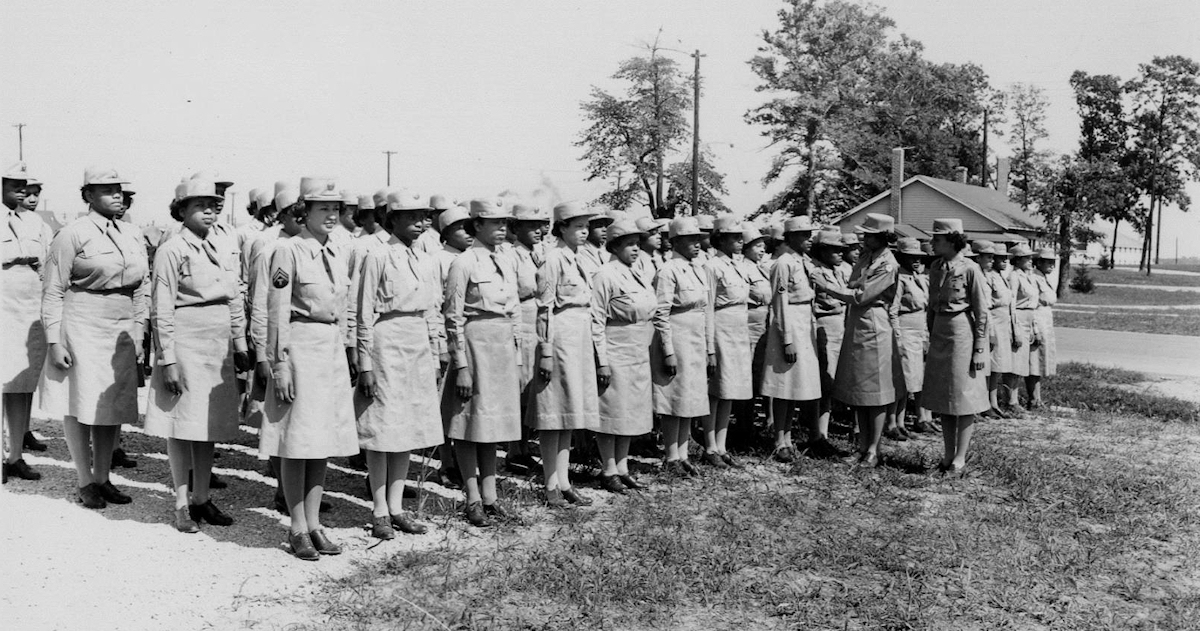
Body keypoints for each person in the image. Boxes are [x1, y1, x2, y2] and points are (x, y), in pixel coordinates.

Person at [39, 166, 149, 508]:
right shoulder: (72, 233)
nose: (116, 195)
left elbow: (142, 287)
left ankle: (104, 478)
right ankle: (85, 480)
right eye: (106, 190)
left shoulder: (133, 234)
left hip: (121, 325)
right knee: (80, 400)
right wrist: (54, 341)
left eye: (119, 189)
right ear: (87, 195)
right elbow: (53, 290)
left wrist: (141, 331)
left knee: (111, 404)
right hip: (82, 320)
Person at [262, 177, 360, 560]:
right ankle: (297, 527)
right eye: (324, 208)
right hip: (299, 348)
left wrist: (348, 350)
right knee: (296, 440)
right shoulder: (288, 251)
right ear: (305, 211)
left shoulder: (336, 251)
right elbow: (277, 311)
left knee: (321, 441)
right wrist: (280, 364)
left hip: (329, 349)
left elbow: (343, 307)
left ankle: (315, 523)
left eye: (336, 208)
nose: (332, 214)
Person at [144, 177, 249, 532]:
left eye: (214, 205)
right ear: (181, 210)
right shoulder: (172, 249)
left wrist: (240, 344)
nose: (210, 211)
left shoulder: (221, 243)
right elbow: (161, 309)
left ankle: (202, 498)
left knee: (209, 424)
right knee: (182, 424)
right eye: (200, 205)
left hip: (217, 343)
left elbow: (234, 297)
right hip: (186, 341)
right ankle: (180, 503)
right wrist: (168, 359)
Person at [355, 189, 445, 540]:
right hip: (386, 339)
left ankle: (397, 507)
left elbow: (432, 309)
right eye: (412, 217)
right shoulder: (378, 255)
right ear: (392, 220)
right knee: (383, 428)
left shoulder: (426, 258)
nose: (421, 223)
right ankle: (378, 509)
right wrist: (364, 363)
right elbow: (363, 313)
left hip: (417, 341)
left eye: (424, 216)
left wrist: (435, 355)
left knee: (407, 427)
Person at [441, 198, 523, 527]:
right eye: (494, 222)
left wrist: (517, 358)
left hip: (501, 346)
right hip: (475, 344)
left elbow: (515, 309)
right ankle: (472, 497)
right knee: (468, 423)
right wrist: (460, 364)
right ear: (477, 226)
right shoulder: (464, 262)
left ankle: (491, 497)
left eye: (505, 222)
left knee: (493, 425)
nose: (502, 228)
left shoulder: (506, 259)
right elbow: (452, 315)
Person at [529, 200, 603, 507]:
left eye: (587, 227)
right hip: (560, 336)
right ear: (561, 229)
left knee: (569, 412)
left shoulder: (581, 258)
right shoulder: (553, 259)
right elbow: (544, 308)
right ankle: (550, 485)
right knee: (554, 413)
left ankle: (564, 480)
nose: (584, 232)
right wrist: (545, 349)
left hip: (580, 334)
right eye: (578, 226)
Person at [829, 213, 903, 468]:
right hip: (858, 323)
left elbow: (861, 294)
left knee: (877, 389)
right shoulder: (865, 258)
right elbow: (854, 286)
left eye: (869, 235)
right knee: (860, 387)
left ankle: (874, 448)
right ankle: (862, 445)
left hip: (874, 323)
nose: (864, 238)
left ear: (882, 237)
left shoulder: (887, 264)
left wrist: (828, 288)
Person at [591, 219, 656, 493]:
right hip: (615, 346)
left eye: (638, 244)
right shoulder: (605, 275)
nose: (635, 249)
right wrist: (601, 360)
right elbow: (595, 320)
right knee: (612, 409)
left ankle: (622, 466)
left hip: (638, 347)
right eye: (629, 244)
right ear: (614, 246)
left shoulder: (637, 273)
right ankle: (608, 470)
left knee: (630, 409)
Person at [924, 219, 990, 474]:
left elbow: (982, 311)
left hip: (962, 332)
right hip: (940, 331)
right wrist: (930, 334)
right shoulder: (936, 267)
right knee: (944, 397)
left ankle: (960, 458)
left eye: (937, 240)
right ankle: (947, 454)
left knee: (962, 397)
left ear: (953, 242)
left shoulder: (970, 268)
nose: (932, 243)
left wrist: (979, 348)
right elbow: (931, 305)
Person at [2, 163, 53, 482]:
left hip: (30, 305)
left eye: (25, 184)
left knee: (22, 382)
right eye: (13, 183)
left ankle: (16, 455)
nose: (22, 188)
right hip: (2, 304)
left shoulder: (37, 222)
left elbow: (47, 263)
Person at [650, 217, 712, 478]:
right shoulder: (668, 270)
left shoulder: (697, 268)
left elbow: (705, 308)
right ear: (675, 242)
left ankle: (684, 453)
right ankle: (671, 455)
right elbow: (660, 313)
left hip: (695, 336)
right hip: (677, 336)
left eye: (698, 239)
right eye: (690, 240)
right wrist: (668, 350)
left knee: (690, 397)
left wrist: (709, 346)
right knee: (673, 397)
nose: (696, 244)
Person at [760, 216, 824, 461]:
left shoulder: (803, 262)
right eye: (804, 235)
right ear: (790, 237)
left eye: (810, 235)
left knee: (795, 384)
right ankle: (779, 439)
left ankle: (788, 436)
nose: (809, 240)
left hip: (804, 321)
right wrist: (787, 338)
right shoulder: (783, 263)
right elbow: (780, 302)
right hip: (789, 324)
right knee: (783, 384)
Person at [702, 215, 752, 468]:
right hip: (720, 330)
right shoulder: (712, 266)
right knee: (716, 391)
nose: (740, 241)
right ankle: (709, 445)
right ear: (720, 239)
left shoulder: (739, 265)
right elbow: (708, 308)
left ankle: (722, 445)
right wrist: (709, 346)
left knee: (729, 390)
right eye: (734, 237)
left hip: (738, 331)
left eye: (741, 237)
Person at [430, 204, 473, 489]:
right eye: (459, 228)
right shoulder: (439, 259)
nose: (467, 233)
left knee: (465, 404)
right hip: (448, 337)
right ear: (445, 233)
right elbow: (435, 304)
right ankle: (446, 463)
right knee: (445, 405)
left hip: (470, 338)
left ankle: (466, 461)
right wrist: (440, 345)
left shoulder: (473, 258)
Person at [506, 202, 546, 472]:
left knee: (533, 386)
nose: (538, 230)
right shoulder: (510, 256)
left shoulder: (540, 254)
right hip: (521, 317)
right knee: (518, 387)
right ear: (515, 228)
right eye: (530, 225)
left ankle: (525, 443)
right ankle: (513, 450)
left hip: (539, 319)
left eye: (541, 225)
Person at [808, 230, 849, 444]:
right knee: (823, 381)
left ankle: (823, 430)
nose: (841, 254)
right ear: (823, 250)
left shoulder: (838, 271)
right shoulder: (815, 271)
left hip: (839, 325)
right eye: (835, 250)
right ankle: (817, 432)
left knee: (832, 381)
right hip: (823, 325)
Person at [887, 237, 929, 441]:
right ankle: (892, 422)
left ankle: (901, 422)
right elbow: (892, 311)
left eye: (918, 258)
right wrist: (898, 338)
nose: (916, 261)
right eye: (910, 257)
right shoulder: (899, 279)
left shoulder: (917, 278)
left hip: (919, 330)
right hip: (905, 330)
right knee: (902, 378)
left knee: (912, 379)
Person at [986, 244, 1023, 418]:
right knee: (991, 366)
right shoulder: (989, 277)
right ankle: (988, 403)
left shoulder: (1002, 278)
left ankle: (993, 403)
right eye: (1000, 259)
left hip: (1004, 324)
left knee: (998, 366)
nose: (1004, 262)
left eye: (1006, 259)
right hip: (993, 323)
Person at [1005, 244, 1037, 416]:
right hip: (1018, 318)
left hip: (1028, 319)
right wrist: (1014, 328)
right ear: (1017, 260)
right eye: (1027, 258)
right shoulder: (1014, 276)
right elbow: (1011, 304)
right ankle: (1011, 400)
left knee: (1022, 362)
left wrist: (1033, 327)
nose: (1030, 261)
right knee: (1015, 362)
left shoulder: (1029, 276)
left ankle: (1014, 399)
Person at [1027, 247, 1058, 407]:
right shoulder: (1033, 278)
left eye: (1053, 261)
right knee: (1034, 361)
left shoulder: (1044, 278)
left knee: (1041, 360)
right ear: (1038, 262)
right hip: (1037, 320)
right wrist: (1035, 329)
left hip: (1046, 319)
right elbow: (1031, 305)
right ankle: (1033, 399)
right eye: (1047, 261)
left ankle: (1037, 398)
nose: (1052, 265)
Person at [578, 210, 612, 279]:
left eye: (606, 226)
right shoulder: (580, 253)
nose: (604, 230)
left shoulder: (607, 253)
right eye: (599, 226)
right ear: (588, 228)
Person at [633, 216, 667, 285]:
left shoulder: (660, 258)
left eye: (658, 233)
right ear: (642, 237)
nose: (659, 237)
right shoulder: (636, 261)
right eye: (653, 234)